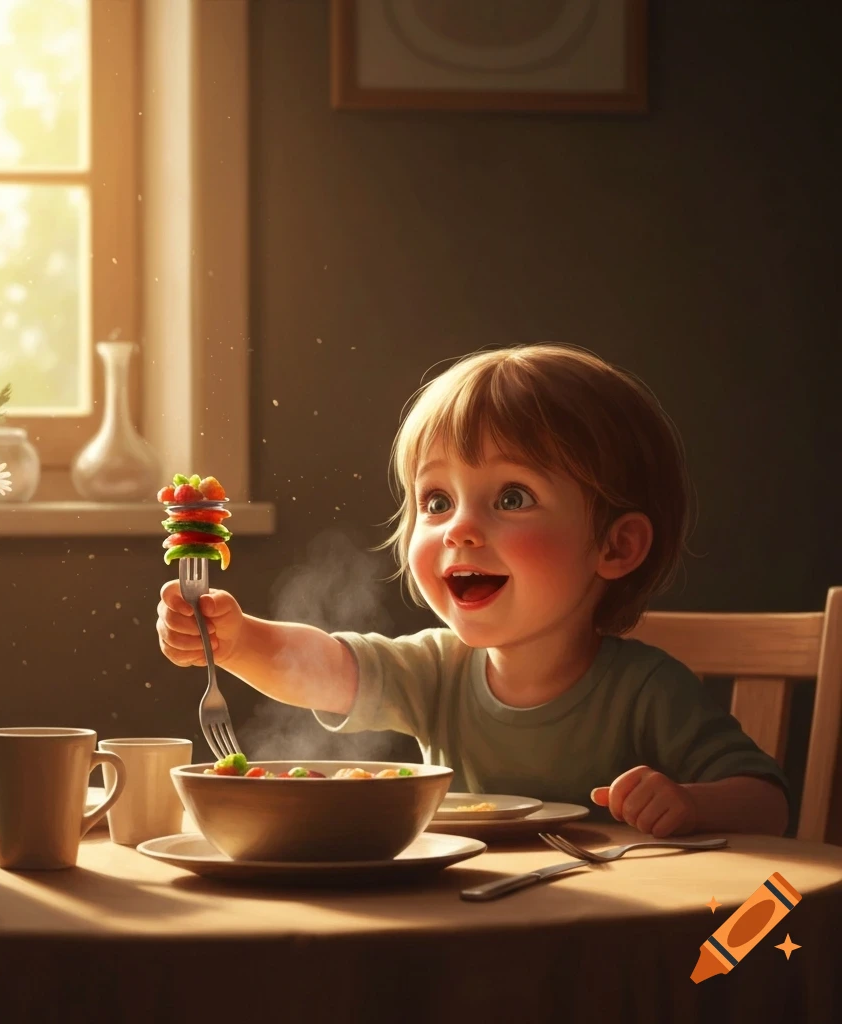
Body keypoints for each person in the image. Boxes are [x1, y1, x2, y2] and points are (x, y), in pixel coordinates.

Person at [156, 345, 790, 837]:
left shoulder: (647, 691)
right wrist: (237, 642)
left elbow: (766, 802)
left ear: (615, 547)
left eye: (512, 498)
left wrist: (687, 803)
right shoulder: (437, 670)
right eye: (436, 500)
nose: (458, 527)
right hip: (465, 918)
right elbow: (322, 667)